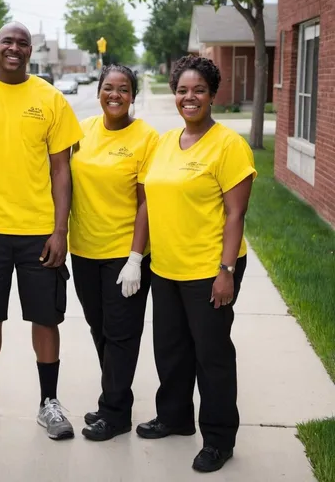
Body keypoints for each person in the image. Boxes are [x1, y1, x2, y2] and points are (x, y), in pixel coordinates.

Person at [0, 21, 83, 440]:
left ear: (30, 51)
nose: (14, 48)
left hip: (39, 232)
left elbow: (62, 169)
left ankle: (49, 404)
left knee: (46, 319)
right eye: (7, 40)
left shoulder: (50, 99)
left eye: (23, 43)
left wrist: (60, 231)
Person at [138, 55, 257, 473]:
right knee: (170, 351)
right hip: (166, 267)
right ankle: (174, 418)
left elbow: (236, 215)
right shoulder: (167, 142)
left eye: (199, 91)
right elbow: (151, 199)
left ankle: (219, 439)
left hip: (209, 270)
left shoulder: (229, 146)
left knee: (212, 356)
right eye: (183, 91)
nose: (190, 98)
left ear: (212, 95)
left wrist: (226, 272)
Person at [69, 64, 159, 441]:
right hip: (84, 250)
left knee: (122, 333)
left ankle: (115, 412)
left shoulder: (147, 138)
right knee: (99, 327)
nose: (115, 95)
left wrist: (136, 258)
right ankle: (115, 396)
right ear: (99, 91)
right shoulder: (83, 131)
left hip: (126, 254)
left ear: (133, 96)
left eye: (124, 89)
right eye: (109, 88)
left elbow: (146, 202)